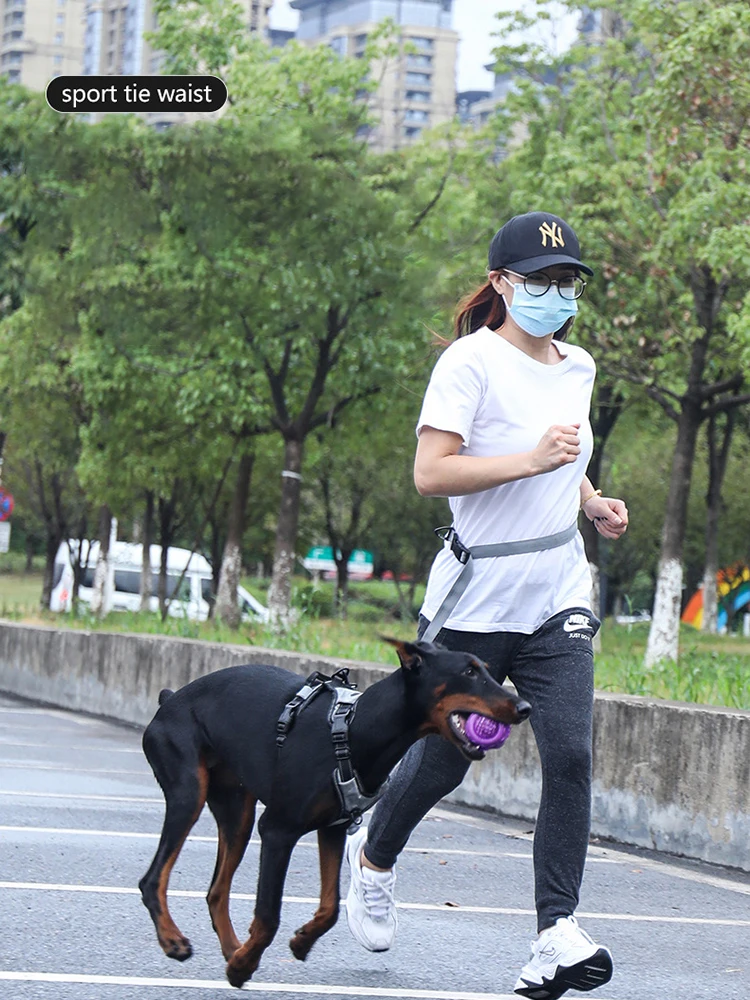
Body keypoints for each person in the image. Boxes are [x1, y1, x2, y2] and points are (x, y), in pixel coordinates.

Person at [344, 211, 628, 1000]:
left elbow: (560, 455)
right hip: (478, 600)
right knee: (448, 756)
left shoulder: (579, 365)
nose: (556, 294)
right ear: (501, 283)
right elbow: (431, 473)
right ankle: (373, 855)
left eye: (567, 281)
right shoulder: (468, 363)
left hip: (557, 595)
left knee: (570, 756)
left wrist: (589, 499)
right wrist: (530, 461)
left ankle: (554, 933)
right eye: (540, 281)